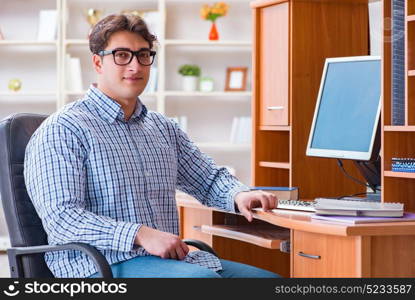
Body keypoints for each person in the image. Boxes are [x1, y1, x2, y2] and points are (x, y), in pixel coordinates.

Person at [24, 14, 280, 278]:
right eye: (122, 55)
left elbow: (208, 179)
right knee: (201, 282)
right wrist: (140, 234)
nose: (135, 66)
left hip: (169, 261)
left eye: (143, 55)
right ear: (98, 62)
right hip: (100, 266)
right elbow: (63, 218)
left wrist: (239, 195)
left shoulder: (162, 127)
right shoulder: (64, 129)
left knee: (268, 281)